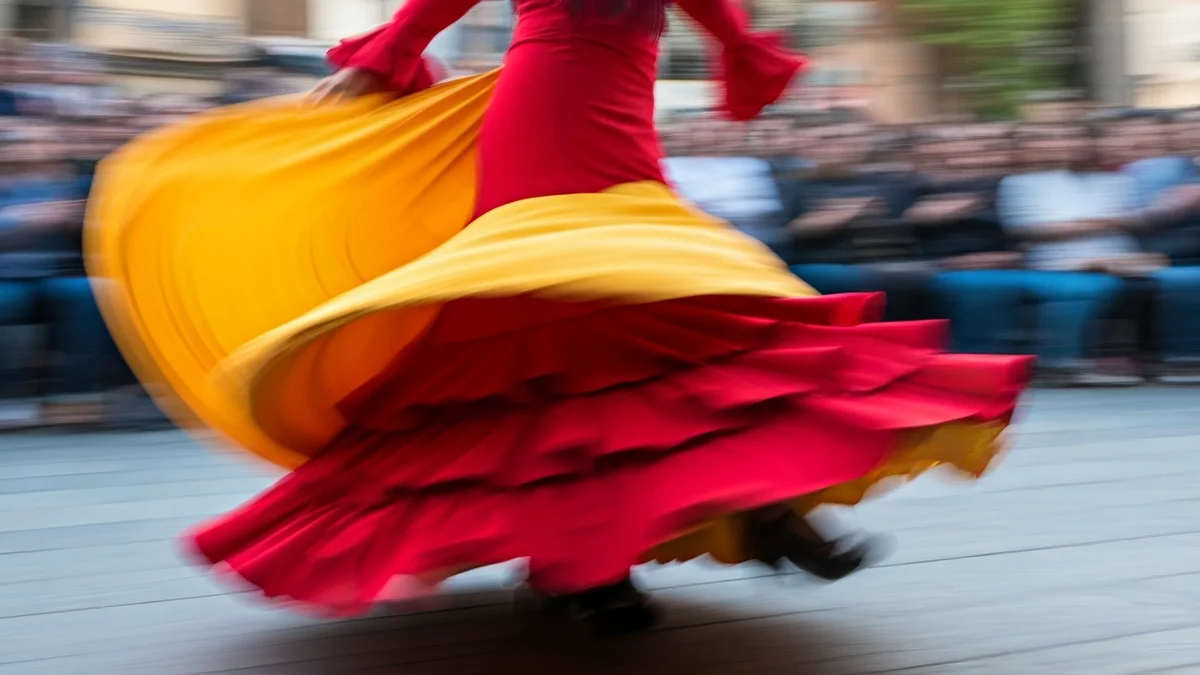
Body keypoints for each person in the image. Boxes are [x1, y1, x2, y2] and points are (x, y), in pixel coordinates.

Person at [87, 0, 1030, 636]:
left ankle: (754, 511)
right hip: (545, 108)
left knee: (668, 306)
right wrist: (386, 54)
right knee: (577, 317)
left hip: (623, 111)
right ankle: (596, 559)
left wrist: (743, 49)